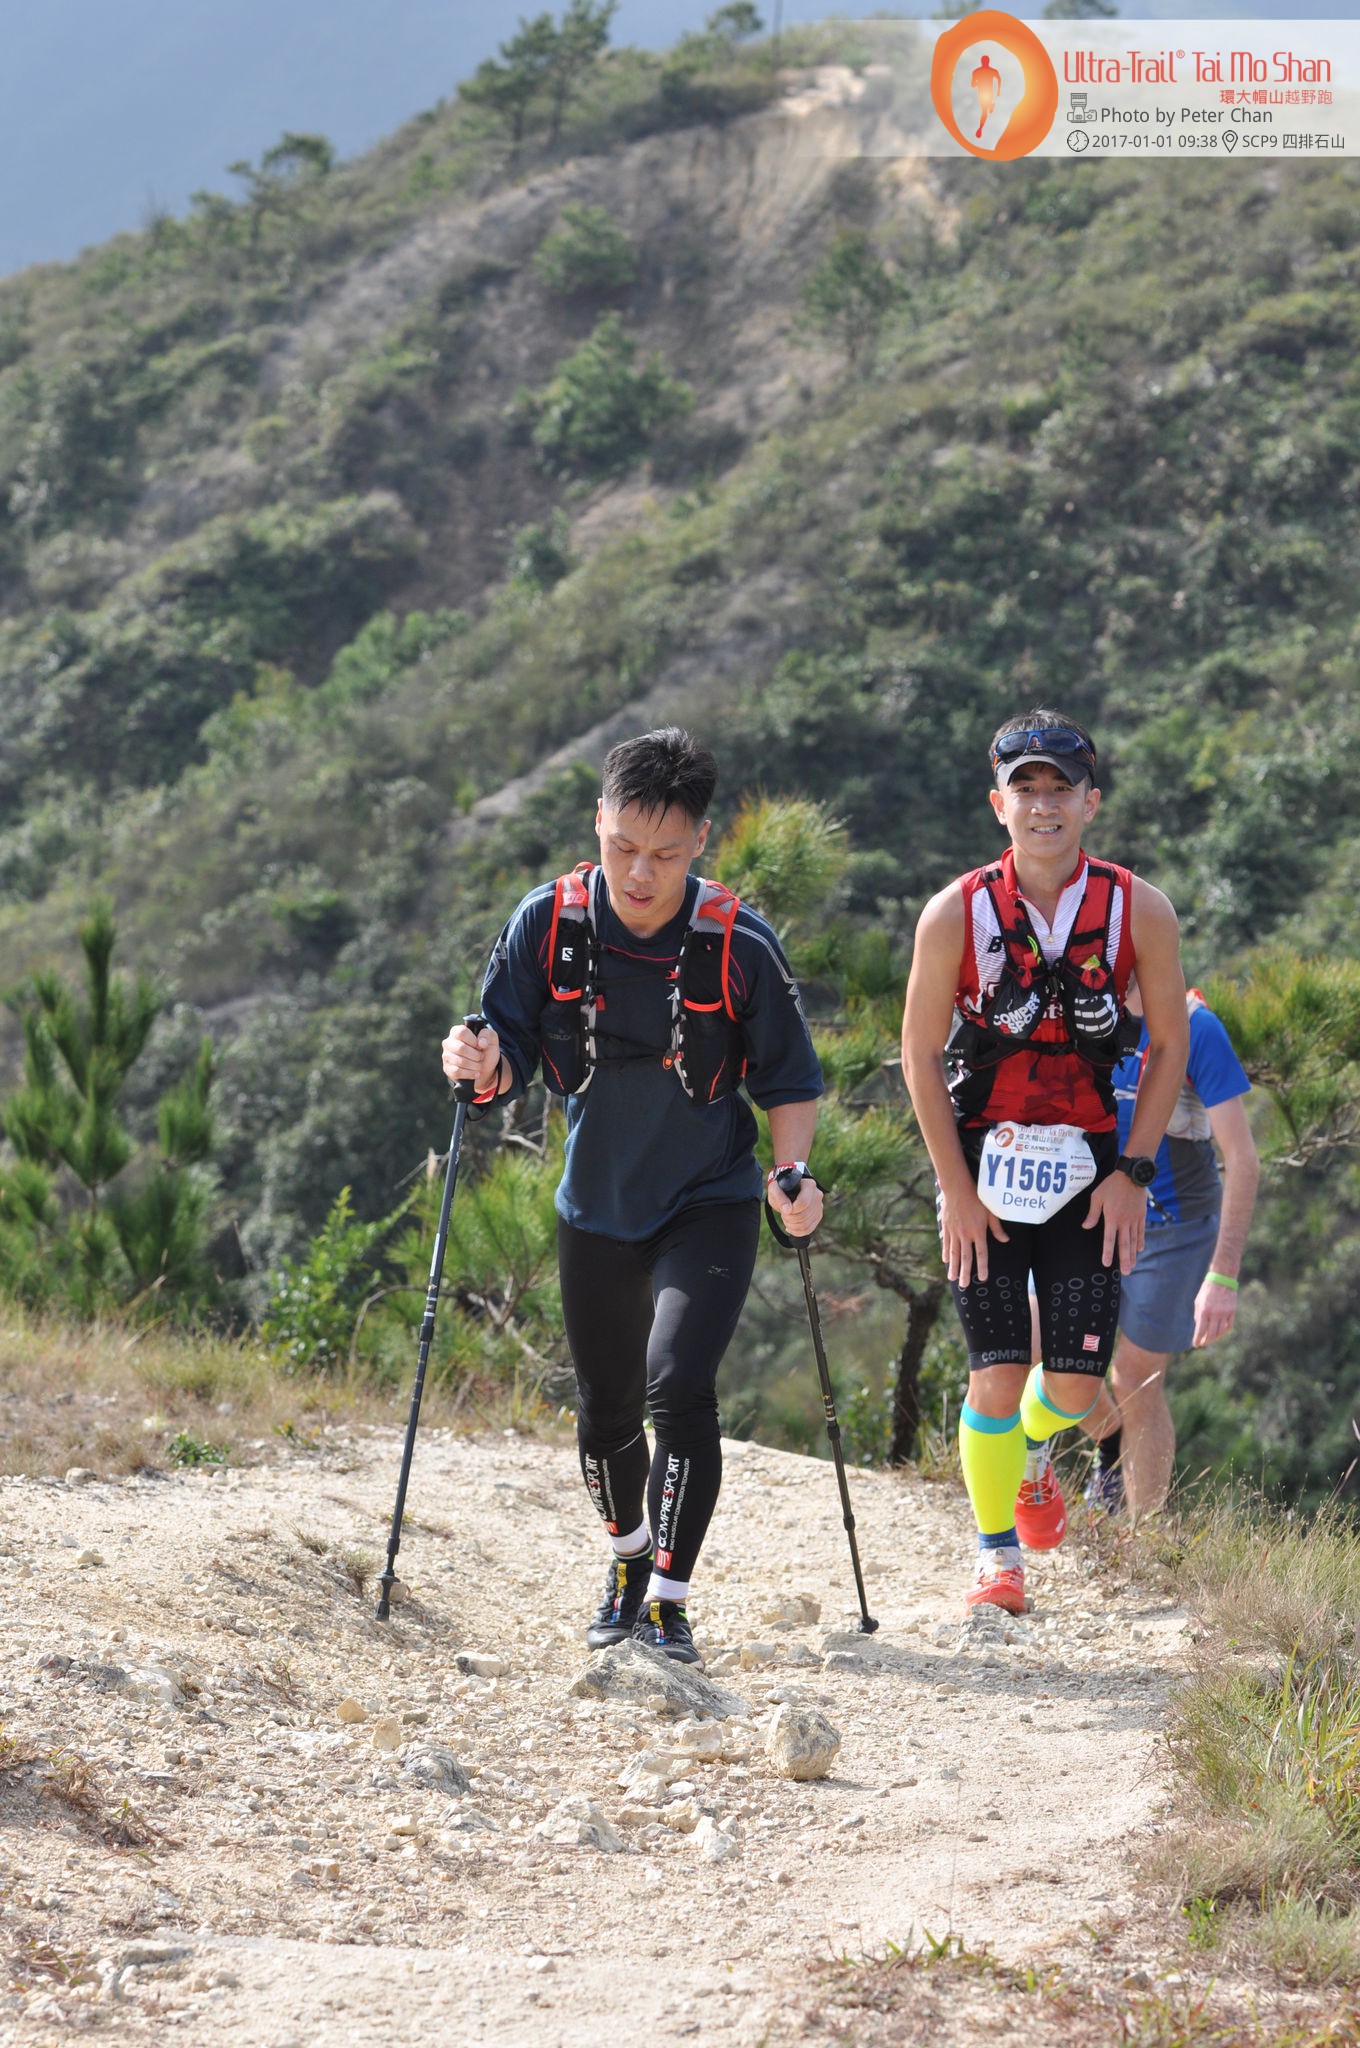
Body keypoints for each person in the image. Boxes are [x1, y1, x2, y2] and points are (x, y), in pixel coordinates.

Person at [441, 728, 824, 1666]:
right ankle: (627, 1561)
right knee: (606, 1411)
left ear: (701, 843)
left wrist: (792, 1178)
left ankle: (667, 1603)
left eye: (665, 854)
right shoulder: (549, 922)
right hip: (597, 1204)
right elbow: (504, 1053)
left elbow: (789, 1080)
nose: (640, 874)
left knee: (678, 1384)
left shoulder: (739, 943)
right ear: (598, 824)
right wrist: (475, 1062)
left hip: (709, 1198)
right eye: (623, 848)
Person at [900, 711, 1188, 1615]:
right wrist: (954, 1191)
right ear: (999, 805)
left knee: (1070, 1385)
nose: (1043, 805)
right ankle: (998, 1561)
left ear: (1090, 802)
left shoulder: (1140, 909)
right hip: (983, 1162)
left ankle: (1032, 1451)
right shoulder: (956, 912)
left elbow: (1170, 1046)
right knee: (993, 1370)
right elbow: (918, 1053)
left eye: (1061, 788)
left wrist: (1133, 1172)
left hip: (1091, 1171)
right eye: (1024, 789)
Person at [1076, 982, 1259, 1516]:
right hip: (1089, 1216)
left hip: (1172, 1230)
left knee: (1136, 1378)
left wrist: (1223, 1275)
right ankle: (1109, 1440)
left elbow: (1243, 1160)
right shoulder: (1081, 1010)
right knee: (1039, 1347)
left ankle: (1144, 1534)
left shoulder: (1196, 1027)